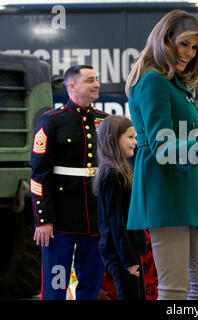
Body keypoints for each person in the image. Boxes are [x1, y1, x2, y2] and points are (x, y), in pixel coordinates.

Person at [124, 10, 198, 300]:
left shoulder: (176, 83)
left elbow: (182, 143)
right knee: (174, 289)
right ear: (165, 40)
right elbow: (163, 146)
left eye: (195, 46)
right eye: (183, 44)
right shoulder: (153, 81)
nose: (189, 52)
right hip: (165, 190)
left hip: (188, 191)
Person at [31, 65, 108, 300]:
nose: (96, 84)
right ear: (72, 86)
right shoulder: (51, 121)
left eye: (97, 79)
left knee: (92, 282)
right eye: (90, 80)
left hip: (95, 218)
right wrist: (43, 220)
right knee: (57, 283)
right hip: (60, 220)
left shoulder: (105, 122)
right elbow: (39, 175)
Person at [94, 115, 148, 300]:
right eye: (130, 137)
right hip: (122, 254)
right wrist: (128, 260)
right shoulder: (112, 173)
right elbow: (115, 221)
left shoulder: (122, 169)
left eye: (135, 137)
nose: (135, 142)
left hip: (129, 251)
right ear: (112, 138)